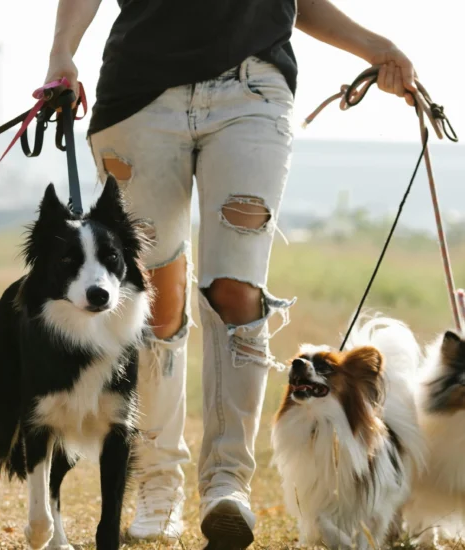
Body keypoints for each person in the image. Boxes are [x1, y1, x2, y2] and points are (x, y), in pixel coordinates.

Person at [44, 0, 416, 547]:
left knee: (237, 289)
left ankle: (227, 484)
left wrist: (377, 48)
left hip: (253, 92)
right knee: (153, 295)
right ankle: (156, 482)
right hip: (140, 94)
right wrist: (62, 51)